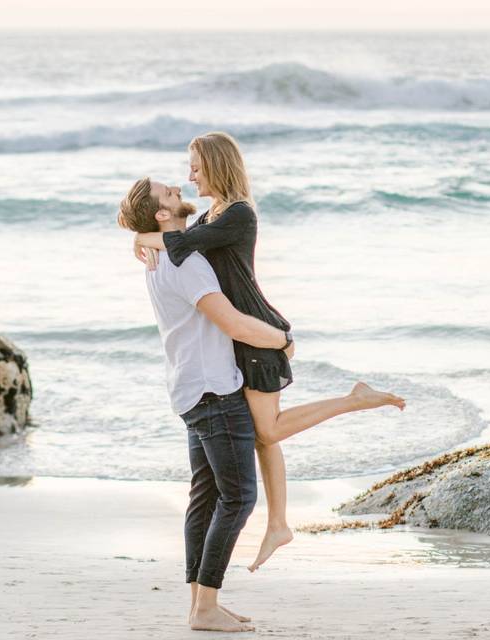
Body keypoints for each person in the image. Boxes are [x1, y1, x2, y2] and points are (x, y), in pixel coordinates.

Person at [130, 132, 406, 572]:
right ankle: (278, 522)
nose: (189, 175)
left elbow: (178, 245)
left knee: (269, 430)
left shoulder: (239, 216)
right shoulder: (207, 217)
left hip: (259, 334)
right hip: (242, 338)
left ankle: (355, 400)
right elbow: (178, 238)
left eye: (196, 167)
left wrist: (145, 237)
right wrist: (143, 235)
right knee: (260, 432)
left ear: (218, 166)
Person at [118, 180, 293, 632]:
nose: (178, 188)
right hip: (214, 391)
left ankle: (200, 604)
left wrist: (140, 236)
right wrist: (282, 340)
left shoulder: (159, 257)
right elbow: (232, 323)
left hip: (189, 389)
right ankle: (206, 608)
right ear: (162, 215)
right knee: (238, 499)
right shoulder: (186, 263)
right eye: (169, 194)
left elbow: (187, 235)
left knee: (206, 498)